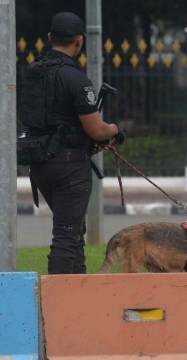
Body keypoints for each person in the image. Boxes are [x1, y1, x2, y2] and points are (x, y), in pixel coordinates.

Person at [17, 12, 126, 274]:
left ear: (50, 37)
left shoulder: (33, 72)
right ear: (79, 41)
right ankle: (59, 304)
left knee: (74, 229)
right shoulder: (75, 78)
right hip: (69, 167)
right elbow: (97, 130)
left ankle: (76, 295)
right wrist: (115, 130)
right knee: (67, 234)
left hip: (40, 162)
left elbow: (46, 119)